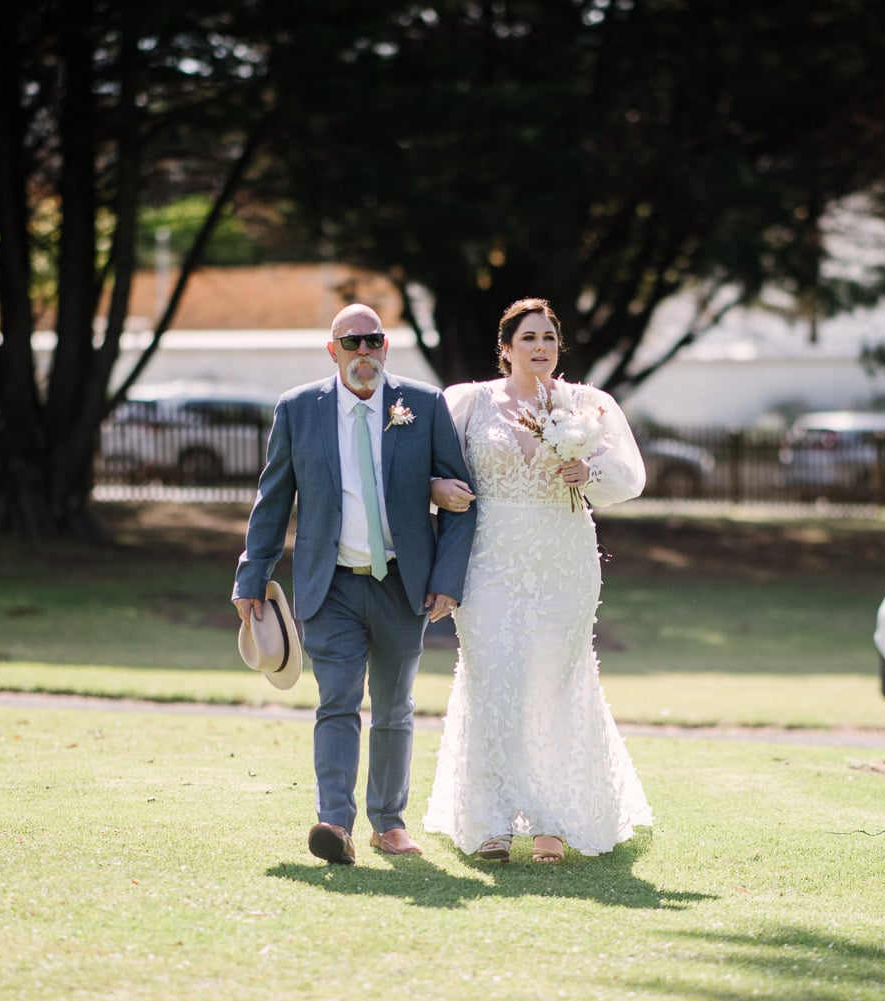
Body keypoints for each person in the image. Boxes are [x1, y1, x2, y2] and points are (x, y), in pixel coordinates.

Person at [232, 303, 477, 865]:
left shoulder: (422, 403)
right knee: (337, 702)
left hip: (403, 584)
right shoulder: (298, 410)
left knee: (393, 706)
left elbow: (462, 499)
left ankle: (388, 824)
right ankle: (334, 823)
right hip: (330, 585)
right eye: (352, 343)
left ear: (386, 347)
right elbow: (274, 500)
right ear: (333, 350)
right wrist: (253, 573)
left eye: (374, 342)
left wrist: (447, 580)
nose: (364, 353)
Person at [422, 297, 653, 863]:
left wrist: (588, 470)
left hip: (564, 559)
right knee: (494, 677)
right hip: (490, 559)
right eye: (528, 338)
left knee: (554, 680)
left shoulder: (586, 405)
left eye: (548, 338)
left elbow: (631, 476)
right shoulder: (470, 402)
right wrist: (435, 489)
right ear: (506, 348)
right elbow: (421, 462)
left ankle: (553, 818)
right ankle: (492, 821)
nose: (540, 347)